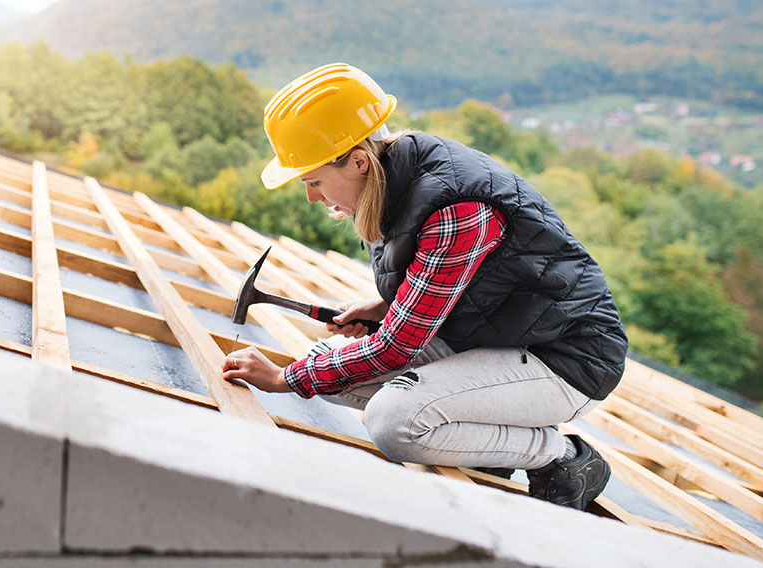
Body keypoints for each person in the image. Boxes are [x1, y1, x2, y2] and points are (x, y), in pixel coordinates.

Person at [221, 63, 627, 510]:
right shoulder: (395, 177)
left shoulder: (456, 207)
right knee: (330, 369)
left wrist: (284, 378)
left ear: (357, 160)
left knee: (393, 420)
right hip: (500, 339)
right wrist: (383, 305)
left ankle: (561, 457)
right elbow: (465, 280)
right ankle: (483, 445)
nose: (312, 197)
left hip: (565, 360)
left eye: (314, 181)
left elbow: (395, 348)